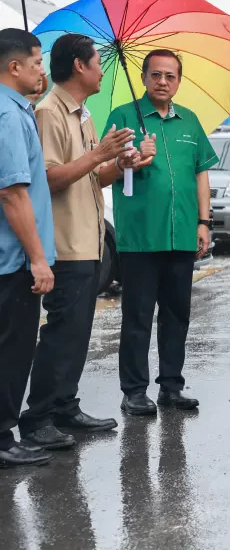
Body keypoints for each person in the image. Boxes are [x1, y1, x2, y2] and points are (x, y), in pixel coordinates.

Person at [19, 35, 151, 450]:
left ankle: (64, 405)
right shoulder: (49, 113)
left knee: (77, 332)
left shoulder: (83, 115)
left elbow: (93, 176)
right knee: (60, 333)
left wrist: (119, 162)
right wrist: (99, 157)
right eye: (97, 63)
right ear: (79, 66)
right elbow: (48, 178)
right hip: (64, 241)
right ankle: (38, 416)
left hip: (89, 241)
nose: (101, 71)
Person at [105, 49, 216, 416]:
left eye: (170, 76)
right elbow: (102, 168)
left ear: (178, 81)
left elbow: (201, 171)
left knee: (177, 314)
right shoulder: (123, 117)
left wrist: (204, 222)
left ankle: (171, 386)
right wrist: (131, 157)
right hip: (140, 236)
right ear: (144, 78)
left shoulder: (190, 122)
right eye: (156, 75)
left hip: (181, 234)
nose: (163, 81)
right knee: (137, 316)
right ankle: (134, 391)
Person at [0, 28, 56, 468]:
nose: (43, 69)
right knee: (14, 348)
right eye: (37, 62)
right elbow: (13, 194)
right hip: (13, 260)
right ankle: (2, 438)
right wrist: (38, 259)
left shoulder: (18, 110)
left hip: (10, 257)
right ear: (14, 67)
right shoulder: (8, 115)